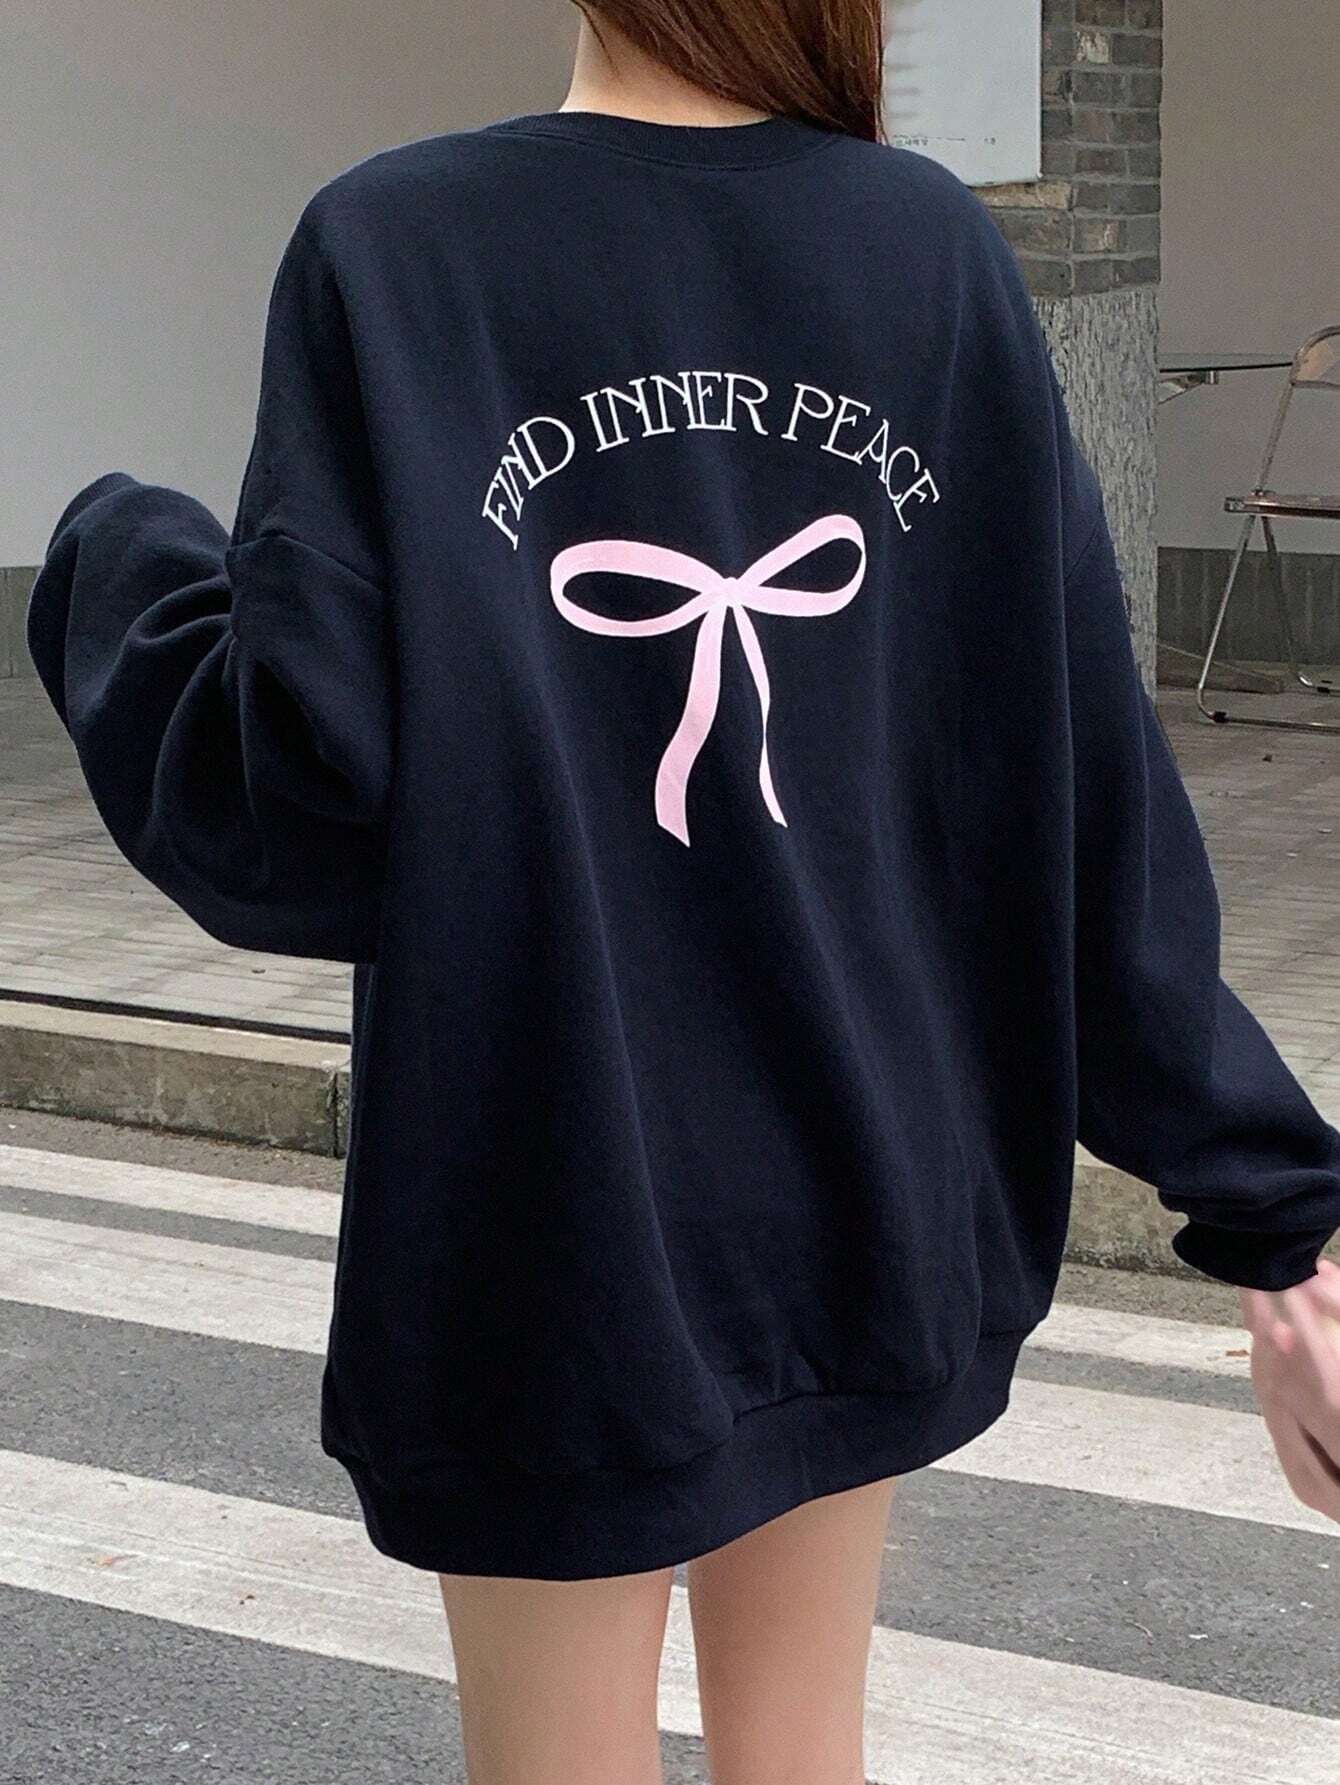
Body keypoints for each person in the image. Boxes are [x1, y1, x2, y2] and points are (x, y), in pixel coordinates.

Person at [25, 3, 1340, 1781]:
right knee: (801, 1752)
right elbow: (1071, 790)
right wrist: (1275, 1214)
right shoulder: (925, 250)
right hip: (861, 1181)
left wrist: (117, 557)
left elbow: (295, 817)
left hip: (551, 1203)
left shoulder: (401, 248)